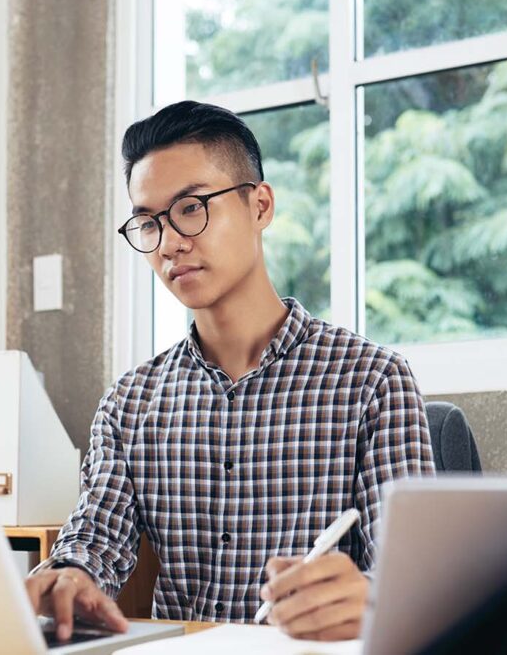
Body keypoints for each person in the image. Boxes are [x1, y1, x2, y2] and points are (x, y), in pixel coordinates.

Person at [25, 100, 434, 642]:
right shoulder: (129, 404)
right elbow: (93, 542)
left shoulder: (372, 382)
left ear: (260, 205)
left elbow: (421, 584)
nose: (169, 242)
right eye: (148, 222)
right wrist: (66, 578)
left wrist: (375, 599)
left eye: (191, 207)